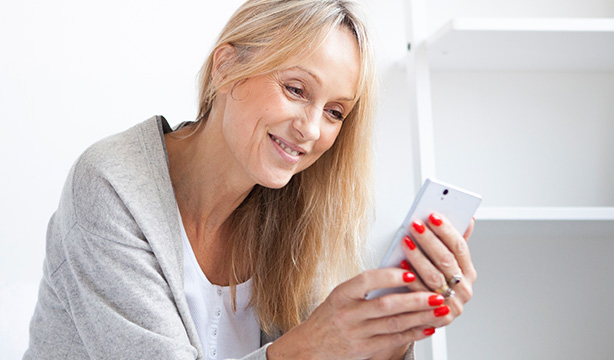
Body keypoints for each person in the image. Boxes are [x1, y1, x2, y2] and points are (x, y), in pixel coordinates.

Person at [23, 0, 476, 359]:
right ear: (225, 68)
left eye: (335, 112)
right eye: (296, 89)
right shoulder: (111, 186)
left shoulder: (294, 211)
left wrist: (392, 333)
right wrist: (310, 348)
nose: (312, 130)